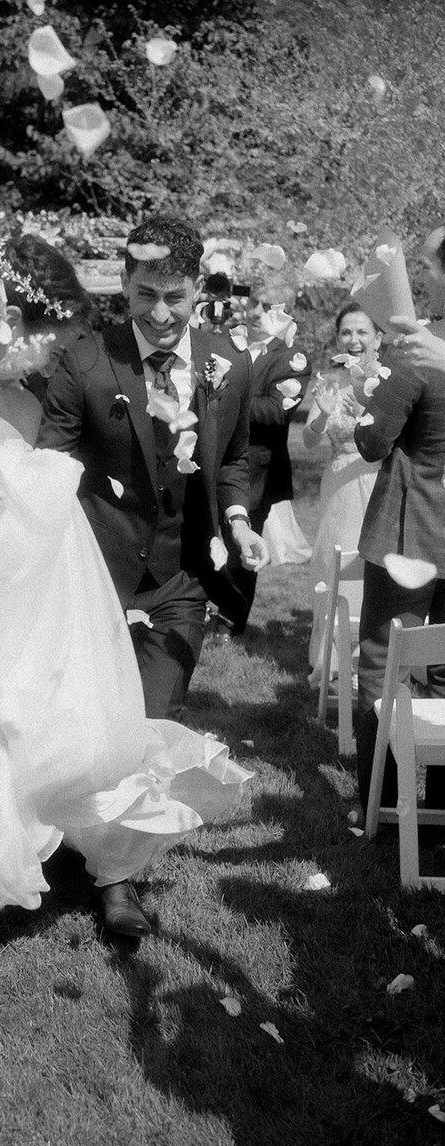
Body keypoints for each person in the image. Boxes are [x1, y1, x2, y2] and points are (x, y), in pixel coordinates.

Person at [0, 233, 252, 1129]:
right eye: (47, 332)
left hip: (29, 644)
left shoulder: (33, 405)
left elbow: (59, 533)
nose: (57, 349)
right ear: (2, 317)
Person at [38, 213, 266, 929]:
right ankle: (63, 844)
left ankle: (116, 882)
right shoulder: (84, 360)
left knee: (152, 718)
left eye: (174, 297)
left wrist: (237, 520)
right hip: (94, 571)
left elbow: (234, 459)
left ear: (197, 286)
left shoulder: (228, 361)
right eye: (144, 296)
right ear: (125, 289)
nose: (160, 315)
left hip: (183, 577)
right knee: (88, 726)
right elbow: (52, 465)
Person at [354, 224, 445, 816]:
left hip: (409, 525)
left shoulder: (414, 349)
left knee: (381, 663)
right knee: (444, 667)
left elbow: (372, 441)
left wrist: (368, 398)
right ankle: (442, 799)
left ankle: (376, 800)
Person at [224, 271, 310, 635]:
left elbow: (277, 412)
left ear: (286, 314)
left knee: (244, 548)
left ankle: (232, 620)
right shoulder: (230, 343)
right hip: (214, 462)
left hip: (254, 470)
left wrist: (227, 399)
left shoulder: (293, 358)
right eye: (254, 303)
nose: (256, 313)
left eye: (267, 307)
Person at [305, 303, 381, 686]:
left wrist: (369, 408)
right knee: (332, 567)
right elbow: (308, 437)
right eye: (346, 332)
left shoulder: (390, 380)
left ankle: (375, 656)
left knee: (372, 570)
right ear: (337, 339)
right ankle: (330, 661)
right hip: (338, 487)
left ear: (377, 338)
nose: (353, 340)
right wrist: (320, 415)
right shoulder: (328, 382)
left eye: (361, 332)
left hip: (378, 484)